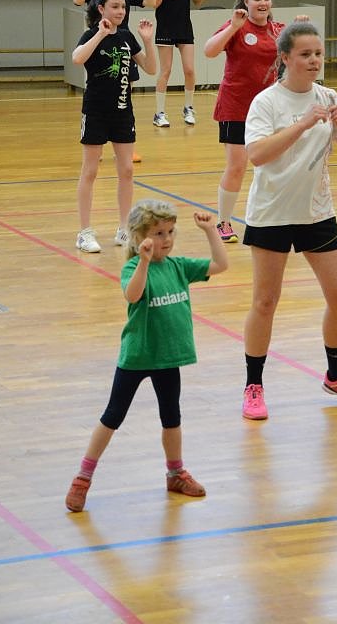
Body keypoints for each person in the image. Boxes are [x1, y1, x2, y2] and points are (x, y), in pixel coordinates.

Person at [240, 21, 337, 421]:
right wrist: (301, 125)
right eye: (305, 54)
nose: (314, 61)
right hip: (272, 213)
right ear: (285, 58)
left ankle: (336, 375)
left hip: (316, 212)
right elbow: (257, 155)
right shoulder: (266, 103)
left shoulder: (329, 96)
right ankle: (254, 385)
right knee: (265, 301)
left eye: (318, 53)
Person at [65, 198, 228, 512]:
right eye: (159, 233)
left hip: (168, 357)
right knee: (112, 417)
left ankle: (176, 473)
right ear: (140, 238)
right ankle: (83, 478)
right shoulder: (132, 267)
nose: (166, 239)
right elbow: (133, 294)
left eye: (170, 232)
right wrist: (142, 261)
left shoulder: (179, 266)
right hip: (138, 357)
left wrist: (210, 231)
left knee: (171, 418)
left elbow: (221, 265)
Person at [204, 0, 307, 243]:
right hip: (236, 106)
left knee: (278, 163)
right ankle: (224, 222)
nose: (263, 3)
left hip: (268, 109)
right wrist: (233, 27)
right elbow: (209, 50)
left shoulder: (279, 31)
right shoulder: (237, 25)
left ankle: (279, 216)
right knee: (237, 166)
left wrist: (301, 29)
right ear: (246, 2)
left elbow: (302, 55)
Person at [72, 0, 157, 253]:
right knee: (91, 170)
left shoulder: (126, 37)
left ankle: (124, 229)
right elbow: (78, 58)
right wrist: (100, 33)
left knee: (127, 171)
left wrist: (148, 41)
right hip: (96, 112)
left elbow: (151, 68)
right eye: (115, 6)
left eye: (123, 7)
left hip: (123, 112)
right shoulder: (91, 35)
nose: (121, 11)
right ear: (102, 9)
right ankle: (84, 232)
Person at [73, 0, 157, 163]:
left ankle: (123, 143)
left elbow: (151, 2)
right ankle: (96, 139)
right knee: (101, 87)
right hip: (100, 40)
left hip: (123, 43)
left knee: (124, 93)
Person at [152, 0, 211, 128]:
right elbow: (155, 3)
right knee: (166, 70)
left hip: (184, 26)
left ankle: (188, 108)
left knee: (190, 70)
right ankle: (159, 113)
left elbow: (197, 1)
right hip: (166, 27)